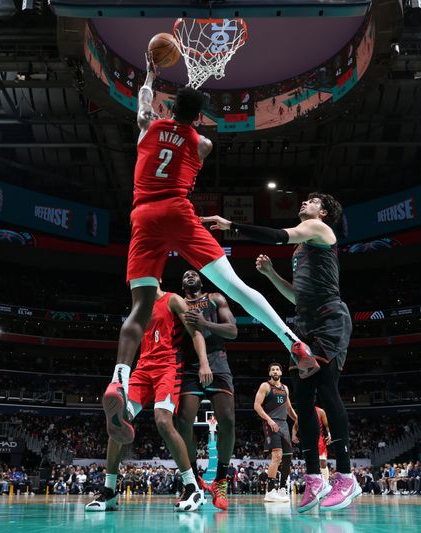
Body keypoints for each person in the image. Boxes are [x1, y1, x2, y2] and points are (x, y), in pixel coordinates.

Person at [103, 54, 317, 446]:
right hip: (180, 213)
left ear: (168, 109)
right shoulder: (202, 143)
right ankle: (292, 341)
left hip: (144, 215)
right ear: (198, 118)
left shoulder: (148, 126)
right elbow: (192, 135)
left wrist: (151, 71)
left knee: (139, 308)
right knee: (236, 287)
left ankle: (119, 380)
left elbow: (144, 99)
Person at [202, 192, 359, 513]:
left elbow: (276, 236)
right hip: (304, 322)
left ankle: (346, 475)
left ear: (324, 212)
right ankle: (315, 477)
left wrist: (230, 224)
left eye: (313, 201)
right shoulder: (304, 247)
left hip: (330, 318)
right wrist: (272, 275)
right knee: (301, 399)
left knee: (327, 392)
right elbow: (296, 296)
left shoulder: (318, 229)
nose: (306, 203)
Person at [86, 284, 210, 512]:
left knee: (163, 421)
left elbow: (195, 332)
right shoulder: (139, 307)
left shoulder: (173, 300)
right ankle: (109, 490)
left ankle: (192, 487)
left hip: (168, 368)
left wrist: (204, 362)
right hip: (142, 369)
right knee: (118, 421)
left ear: (157, 277)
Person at [174, 269, 237, 510]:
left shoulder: (215, 299)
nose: (189, 275)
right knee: (182, 422)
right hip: (189, 366)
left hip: (218, 362)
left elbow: (233, 331)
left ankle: (220, 480)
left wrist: (204, 322)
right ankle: (192, 481)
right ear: (182, 285)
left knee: (228, 421)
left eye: (193, 273)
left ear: (201, 280)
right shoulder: (177, 303)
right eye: (185, 275)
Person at [254, 363, 297, 503]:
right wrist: (269, 420)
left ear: (281, 372)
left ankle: (282, 488)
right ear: (270, 373)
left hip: (284, 424)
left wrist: (299, 420)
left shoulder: (285, 388)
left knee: (287, 458)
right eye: (272, 369)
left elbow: (289, 409)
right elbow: (256, 406)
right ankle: (270, 490)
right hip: (271, 423)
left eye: (277, 369)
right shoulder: (265, 386)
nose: (275, 371)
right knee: (276, 455)